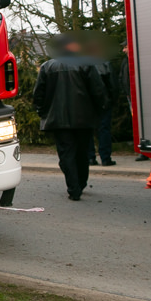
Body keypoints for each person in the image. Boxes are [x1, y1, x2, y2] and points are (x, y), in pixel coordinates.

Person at [33, 34, 109, 201]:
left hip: (57, 119)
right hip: (83, 117)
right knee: (82, 152)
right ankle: (80, 183)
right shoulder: (86, 65)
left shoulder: (47, 67)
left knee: (66, 153)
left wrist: (42, 111)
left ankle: (73, 187)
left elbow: (39, 94)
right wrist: (100, 109)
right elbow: (98, 90)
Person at [119, 39, 150, 161]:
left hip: (140, 98)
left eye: (125, 47)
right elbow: (122, 77)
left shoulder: (138, 60)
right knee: (137, 124)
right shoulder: (125, 61)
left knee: (143, 124)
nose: (123, 50)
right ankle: (141, 149)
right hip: (130, 97)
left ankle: (145, 150)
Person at [88, 57, 117, 166]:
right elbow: (113, 84)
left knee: (89, 130)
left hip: (88, 103)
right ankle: (105, 158)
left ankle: (90, 157)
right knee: (104, 129)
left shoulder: (82, 65)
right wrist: (112, 100)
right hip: (104, 102)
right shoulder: (105, 64)